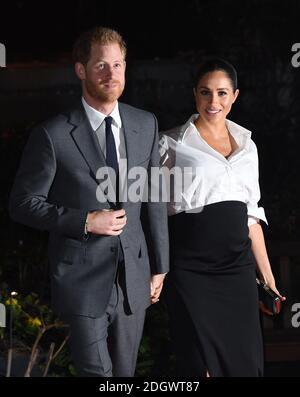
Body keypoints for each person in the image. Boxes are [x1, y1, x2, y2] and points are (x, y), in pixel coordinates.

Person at [9, 27, 169, 377]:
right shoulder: (52, 135)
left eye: (117, 65)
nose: (111, 74)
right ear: (81, 70)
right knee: (96, 373)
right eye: (101, 65)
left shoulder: (146, 124)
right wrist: (83, 220)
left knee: (124, 375)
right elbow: (21, 202)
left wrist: (160, 265)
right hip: (81, 279)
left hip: (134, 276)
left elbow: (154, 196)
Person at [159, 58, 285, 377]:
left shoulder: (248, 146)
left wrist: (268, 278)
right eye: (205, 93)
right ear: (195, 95)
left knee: (245, 364)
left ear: (235, 96)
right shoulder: (170, 143)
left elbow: (251, 216)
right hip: (190, 270)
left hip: (238, 272)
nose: (213, 102)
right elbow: (152, 209)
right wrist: (157, 269)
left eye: (222, 93)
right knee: (201, 365)